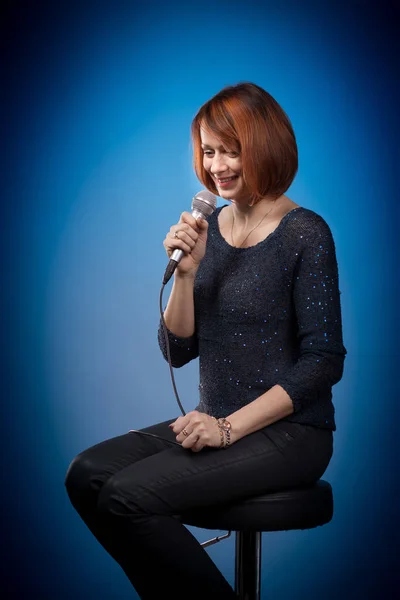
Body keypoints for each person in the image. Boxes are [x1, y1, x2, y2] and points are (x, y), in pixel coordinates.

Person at [65, 82, 346, 599]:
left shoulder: (305, 232)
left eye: (230, 149)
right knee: (87, 476)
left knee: (128, 496)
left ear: (263, 145)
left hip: (291, 434)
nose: (217, 165)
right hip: (213, 416)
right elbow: (177, 351)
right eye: (209, 150)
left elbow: (323, 363)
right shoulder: (209, 227)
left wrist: (227, 428)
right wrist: (187, 276)